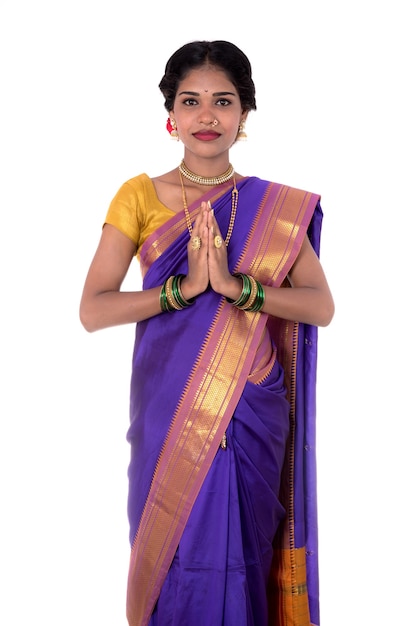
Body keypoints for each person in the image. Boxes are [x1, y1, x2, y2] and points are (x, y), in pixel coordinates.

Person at [79, 40, 334, 626]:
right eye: (192, 101)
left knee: (244, 554)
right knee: (172, 558)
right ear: (171, 113)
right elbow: (94, 309)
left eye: (224, 101)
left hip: (251, 409)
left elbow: (320, 306)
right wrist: (182, 291)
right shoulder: (139, 196)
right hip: (168, 410)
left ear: (244, 115)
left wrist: (238, 289)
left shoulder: (276, 206)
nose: (207, 116)